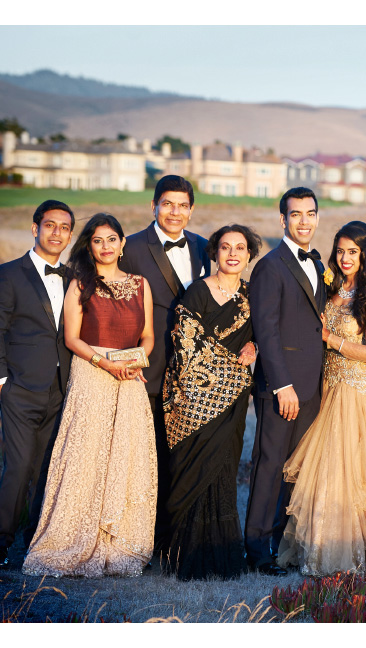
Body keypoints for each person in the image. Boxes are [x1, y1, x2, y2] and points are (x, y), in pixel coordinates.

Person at [23, 214, 157, 578]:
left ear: (123, 243)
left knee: (125, 456)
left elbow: (148, 336)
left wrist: (132, 361)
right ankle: (72, 539)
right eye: (98, 241)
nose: (106, 247)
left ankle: (120, 540)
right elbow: (72, 338)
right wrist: (105, 362)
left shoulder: (140, 284)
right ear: (90, 245)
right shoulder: (80, 283)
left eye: (112, 239)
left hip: (130, 376)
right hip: (92, 374)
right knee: (87, 456)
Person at [277, 222, 366, 576]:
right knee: (323, 469)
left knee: (351, 470)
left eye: (352, 252)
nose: (344, 258)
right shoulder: (329, 291)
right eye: (340, 251)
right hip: (326, 386)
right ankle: (319, 547)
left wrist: (332, 340)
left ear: (365, 255)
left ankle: (348, 552)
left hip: (355, 391)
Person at [157, 225, 261, 580]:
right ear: (214, 253)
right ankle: (180, 554)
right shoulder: (196, 292)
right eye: (225, 247)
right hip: (193, 402)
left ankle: (221, 554)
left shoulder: (252, 296)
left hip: (232, 404)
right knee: (189, 470)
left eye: (240, 248)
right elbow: (184, 346)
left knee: (224, 470)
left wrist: (256, 348)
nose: (233, 254)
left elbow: (262, 337)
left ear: (249, 255)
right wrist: (224, 373)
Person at [118, 175, 211, 549]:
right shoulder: (131, 248)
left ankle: (177, 537)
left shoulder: (207, 248)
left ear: (191, 210)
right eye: (167, 204)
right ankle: (142, 536)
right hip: (147, 370)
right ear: (153, 206)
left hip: (194, 375)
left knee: (182, 456)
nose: (175, 212)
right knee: (146, 455)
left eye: (182, 205)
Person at [0, 200, 75, 567]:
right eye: (50, 225)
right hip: (19, 387)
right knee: (19, 467)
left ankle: (36, 540)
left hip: (60, 387)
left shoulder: (72, 276)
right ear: (34, 228)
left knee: (46, 468)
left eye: (65, 227)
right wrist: (0, 382)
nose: (57, 233)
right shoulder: (6, 274)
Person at [244, 187, 326, 576]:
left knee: (296, 468)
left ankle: (283, 547)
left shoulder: (320, 262)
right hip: (283, 388)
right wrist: (281, 385)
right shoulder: (270, 266)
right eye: (296, 215)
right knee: (270, 464)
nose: (304, 221)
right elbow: (266, 329)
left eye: (310, 213)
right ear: (283, 220)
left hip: (314, 385)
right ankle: (258, 550)